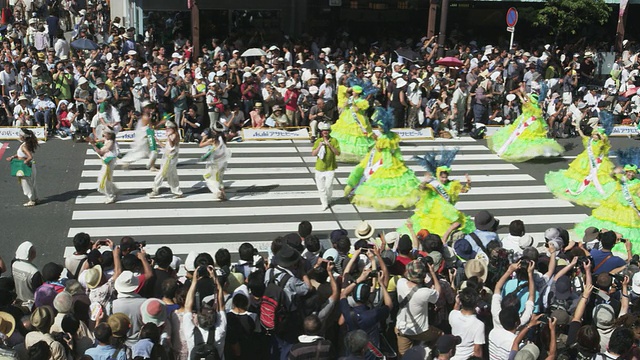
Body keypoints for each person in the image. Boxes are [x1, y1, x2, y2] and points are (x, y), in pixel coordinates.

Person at [343, 107, 420, 210]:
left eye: (380, 126)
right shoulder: (392, 135)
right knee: (394, 182)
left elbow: (379, 148)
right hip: (392, 159)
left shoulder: (384, 138)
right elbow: (395, 149)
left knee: (378, 178)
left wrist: (377, 142)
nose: (379, 128)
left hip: (382, 159)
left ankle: (380, 199)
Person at [574, 149, 640, 253]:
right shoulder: (621, 178)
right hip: (615, 202)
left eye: (633, 173)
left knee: (627, 224)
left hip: (629, 206)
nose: (631, 174)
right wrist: (615, 171)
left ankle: (621, 240)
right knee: (611, 220)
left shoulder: (637, 182)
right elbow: (611, 175)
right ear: (626, 172)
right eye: (629, 172)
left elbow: (638, 193)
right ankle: (609, 237)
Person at [398, 147, 474, 238]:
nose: (444, 179)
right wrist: (425, 181)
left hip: (448, 213)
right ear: (438, 176)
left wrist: (468, 183)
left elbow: (463, 190)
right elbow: (422, 188)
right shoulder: (434, 184)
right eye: (442, 177)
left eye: (446, 177)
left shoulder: (452, 184)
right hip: (433, 211)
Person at [545, 125, 616, 207]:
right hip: (585, 160)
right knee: (580, 175)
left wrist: (600, 134)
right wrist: (578, 128)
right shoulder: (590, 141)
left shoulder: (601, 143)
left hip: (598, 162)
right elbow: (583, 136)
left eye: (597, 135)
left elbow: (604, 141)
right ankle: (578, 188)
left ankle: (595, 191)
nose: (595, 136)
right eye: (594, 135)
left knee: (598, 177)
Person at [487, 94, 565, 162]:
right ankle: (535, 152)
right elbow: (538, 115)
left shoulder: (531, 106)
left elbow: (525, 102)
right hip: (533, 123)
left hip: (529, 123)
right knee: (533, 138)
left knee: (523, 137)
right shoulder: (537, 106)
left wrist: (520, 94)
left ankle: (525, 152)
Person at [330, 85, 375, 163]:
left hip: (358, 120)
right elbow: (344, 107)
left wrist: (353, 103)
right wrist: (346, 103)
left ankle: (357, 154)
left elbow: (357, 109)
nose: (352, 92)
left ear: (357, 93)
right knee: (345, 136)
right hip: (347, 118)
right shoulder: (350, 98)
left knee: (357, 137)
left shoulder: (363, 101)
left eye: (354, 91)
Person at [148, 121, 183, 199]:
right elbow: (166, 146)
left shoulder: (175, 135)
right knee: (172, 176)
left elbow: (171, 145)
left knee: (160, 175)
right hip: (169, 158)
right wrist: (157, 141)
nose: (166, 129)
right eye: (166, 128)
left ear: (172, 128)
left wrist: (168, 137)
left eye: (168, 128)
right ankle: (178, 192)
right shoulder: (172, 135)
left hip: (170, 159)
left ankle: (155, 190)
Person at [311, 122, 341, 210]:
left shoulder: (334, 140)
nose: (325, 132)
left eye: (327, 130)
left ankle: (328, 199)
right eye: (324, 130)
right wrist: (319, 146)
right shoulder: (318, 141)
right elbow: (313, 153)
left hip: (330, 167)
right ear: (321, 132)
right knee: (321, 188)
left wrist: (329, 145)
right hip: (320, 168)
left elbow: (338, 153)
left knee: (328, 186)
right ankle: (324, 203)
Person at [6, 128, 39, 206]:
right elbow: (21, 154)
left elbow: (29, 156)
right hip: (32, 165)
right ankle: (35, 198)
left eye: (20, 135)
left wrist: (25, 162)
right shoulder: (27, 144)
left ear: (23, 137)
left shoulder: (24, 146)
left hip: (26, 166)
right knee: (32, 183)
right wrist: (13, 157)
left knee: (26, 183)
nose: (19, 136)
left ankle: (31, 200)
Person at [199, 121, 231, 201]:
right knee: (219, 178)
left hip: (215, 163)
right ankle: (223, 194)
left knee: (208, 177)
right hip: (223, 161)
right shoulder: (223, 138)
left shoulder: (212, 140)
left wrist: (204, 137)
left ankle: (217, 192)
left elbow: (201, 145)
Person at [89, 127, 120, 204]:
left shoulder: (110, 143)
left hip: (109, 162)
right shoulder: (107, 139)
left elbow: (100, 152)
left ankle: (110, 196)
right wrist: (95, 141)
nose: (103, 135)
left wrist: (93, 145)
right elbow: (100, 141)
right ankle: (114, 191)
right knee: (106, 178)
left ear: (109, 135)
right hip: (107, 161)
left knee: (104, 179)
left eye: (105, 133)